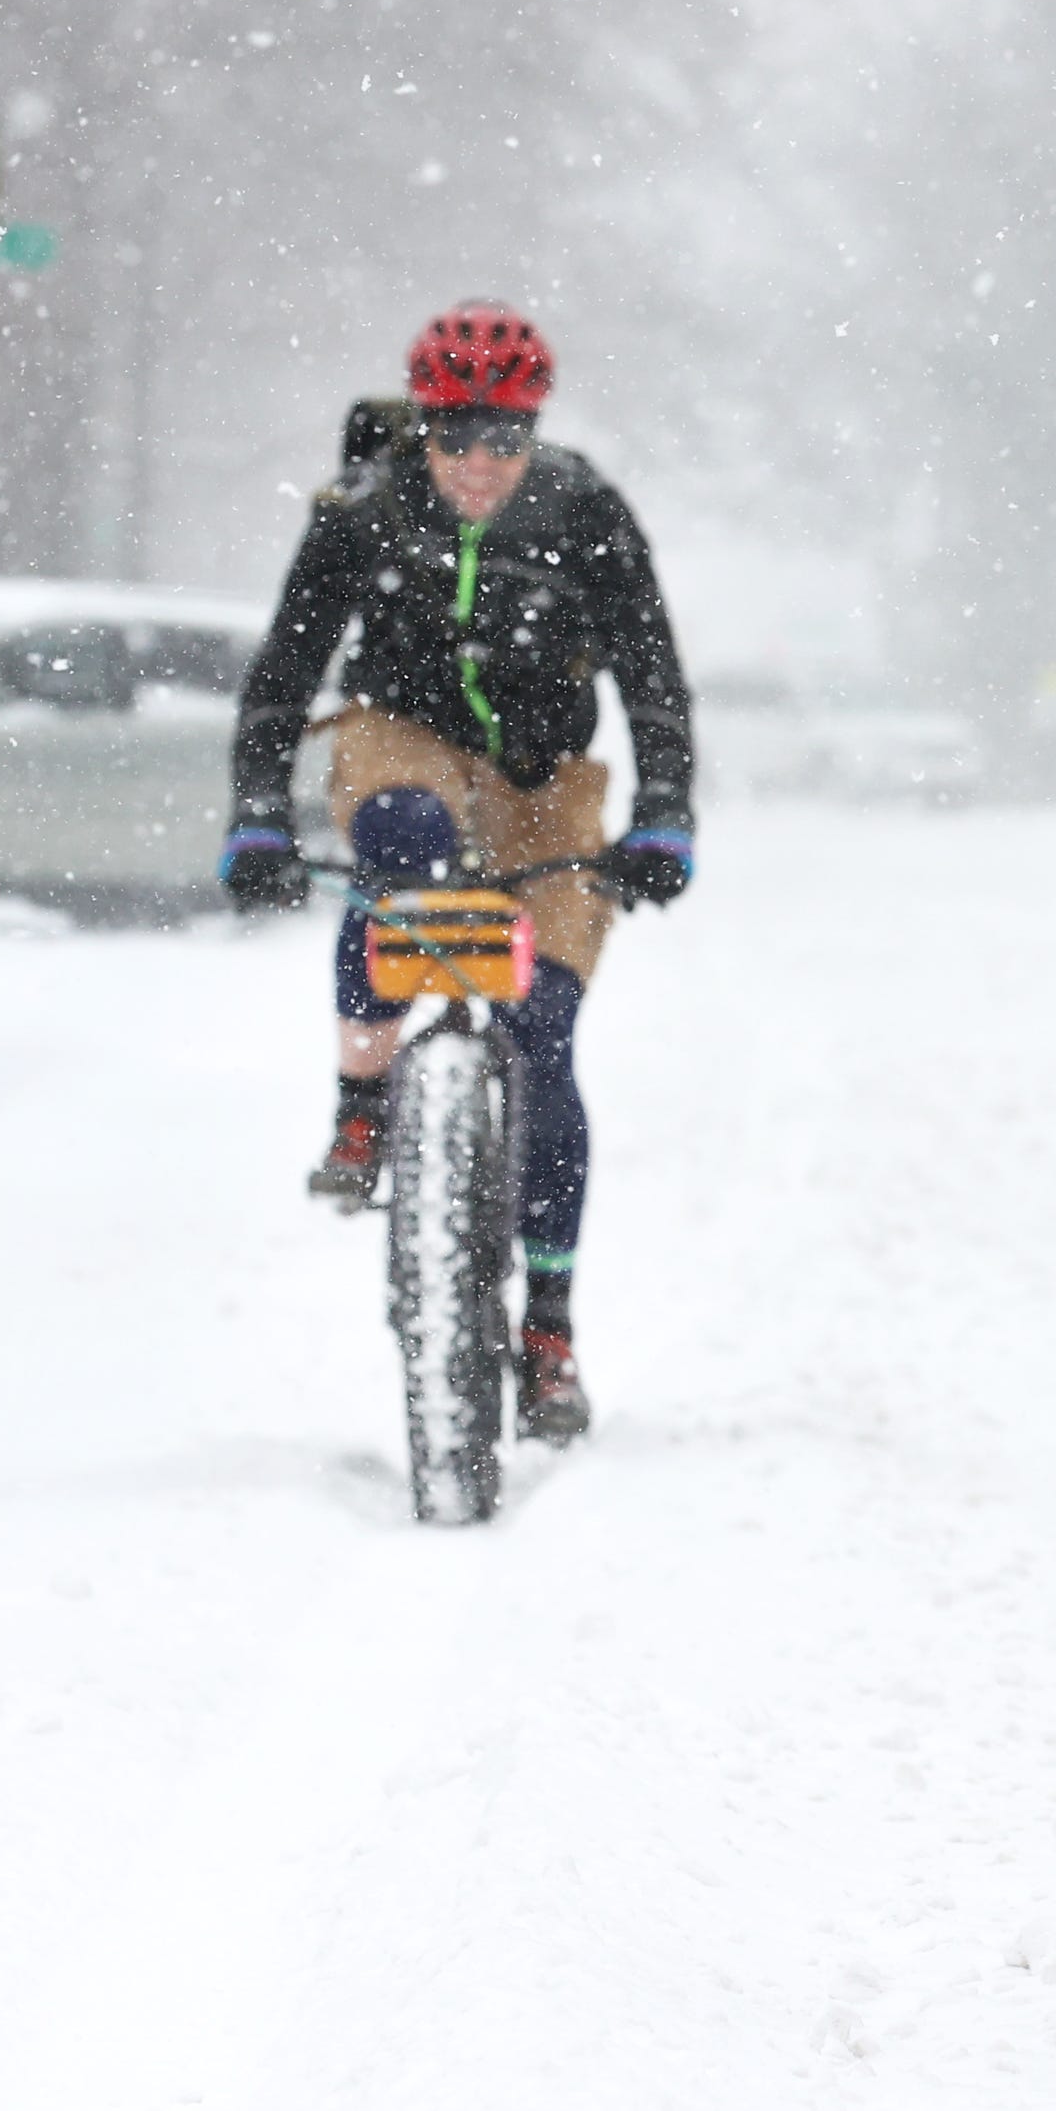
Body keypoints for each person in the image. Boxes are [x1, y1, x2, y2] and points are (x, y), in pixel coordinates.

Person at [219, 302, 698, 1446]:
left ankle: (547, 1326)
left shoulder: (585, 513)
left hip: (544, 783)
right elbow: (285, 669)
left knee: (543, 1035)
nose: (479, 467)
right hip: (406, 740)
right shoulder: (362, 514)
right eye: (455, 441)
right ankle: (364, 1098)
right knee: (401, 850)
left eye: (503, 442)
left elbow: (652, 674)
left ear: (530, 433)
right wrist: (254, 818)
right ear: (421, 431)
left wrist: (666, 816)